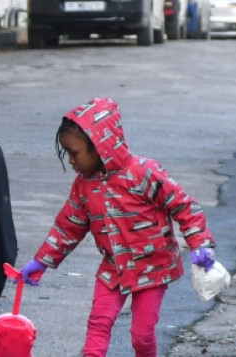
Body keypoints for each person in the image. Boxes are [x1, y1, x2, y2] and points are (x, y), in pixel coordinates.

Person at [17, 97, 220, 357]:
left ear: (100, 146)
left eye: (74, 153)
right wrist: (42, 261)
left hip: (153, 268)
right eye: (67, 153)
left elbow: (184, 207)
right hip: (113, 269)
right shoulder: (84, 186)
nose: (70, 161)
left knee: (141, 336)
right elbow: (68, 226)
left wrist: (199, 243)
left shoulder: (144, 173)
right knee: (98, 325)